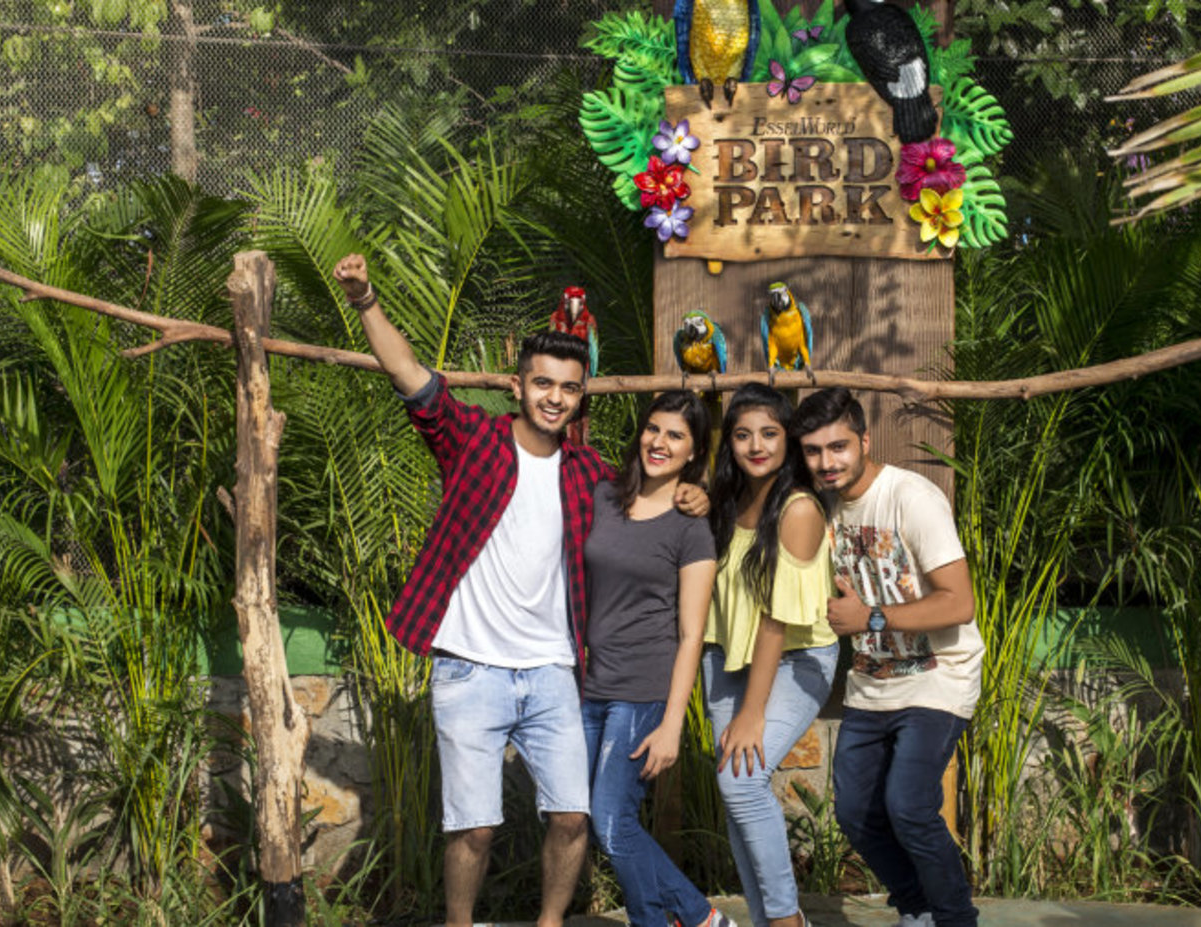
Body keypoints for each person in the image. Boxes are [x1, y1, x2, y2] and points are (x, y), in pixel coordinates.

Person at [330, 254, 705, 927]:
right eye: (542, 383)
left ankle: (550, 922)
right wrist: (365, 300)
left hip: (553, 670)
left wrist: (692, 489)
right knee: (473, 827)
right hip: (469, 668)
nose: (554, 397)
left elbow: (652, 483)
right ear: (516, 385)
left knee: (571, 815)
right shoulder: (472, 438)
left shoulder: (590, 471)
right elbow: (409, 376)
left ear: (579, 395)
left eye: (567, 387)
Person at [792, 388, 981, 927]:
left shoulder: (911, 498)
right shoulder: (816, 501)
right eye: (813, 451)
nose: (827, 462)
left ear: (864, 441)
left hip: (938, 676)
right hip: (872, 681)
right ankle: (917, 908)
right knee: (855, 814)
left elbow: (959, 602)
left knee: (909, 807)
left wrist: (872, 618)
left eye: (838, 447)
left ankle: (954, 919)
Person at [581, 390, 737, 927]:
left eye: (675, 435)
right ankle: (673, 919)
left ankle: (697, 916)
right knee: (579, 814)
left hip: (642, 690)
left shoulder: (691, 526)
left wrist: (672, 723)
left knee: (610, 820)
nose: (659, 442)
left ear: (694, 452)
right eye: (653, 429)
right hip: (585, 686)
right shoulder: (603, 497)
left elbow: (691, 633)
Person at [704, 385, 839, 927]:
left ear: (788, 439)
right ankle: (767, 921)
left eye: (769, 433)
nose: (755, 446)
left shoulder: (799, 508)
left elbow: (775, 620)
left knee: (740, 780)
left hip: (793, 660)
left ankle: (786, 921)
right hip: (726, 658)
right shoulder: (726, 498)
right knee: (738, 795)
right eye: (742, 435)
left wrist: (753, 713)